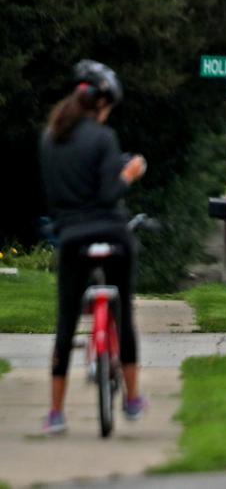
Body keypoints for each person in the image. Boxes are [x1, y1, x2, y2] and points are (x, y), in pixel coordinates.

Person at [39, 60, 147, 435]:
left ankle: (55, 412)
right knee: (124, 315)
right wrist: (128, 174)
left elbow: (53, 197)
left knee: (66, 321)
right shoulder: (104, 139)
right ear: (101, 104)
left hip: (71, 239)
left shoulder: (51, 138)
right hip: (112, 235)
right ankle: (132, 399)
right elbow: (107, 192)